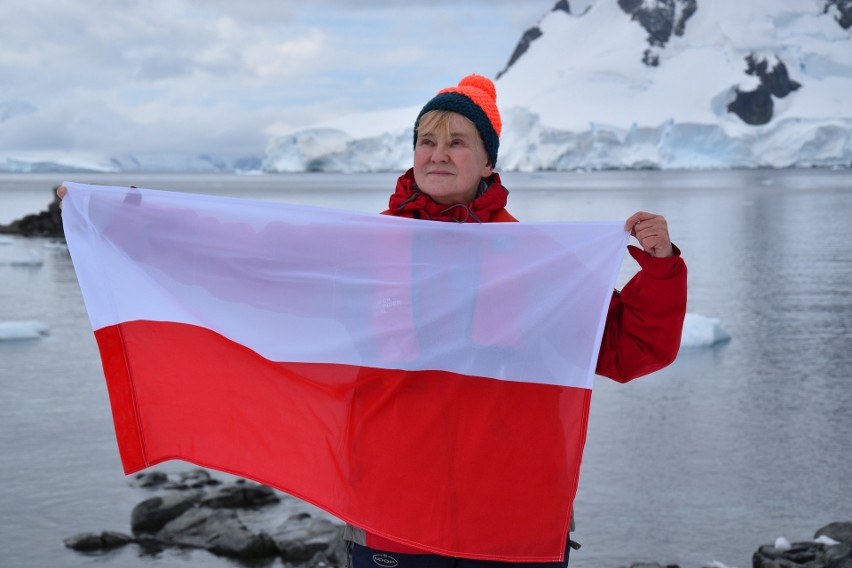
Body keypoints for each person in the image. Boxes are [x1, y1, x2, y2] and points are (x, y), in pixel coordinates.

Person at [57, 73, 686, 568]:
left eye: (457, 141)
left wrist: (658, 269)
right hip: (394, 514)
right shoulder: (367, 251)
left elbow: (630, 352)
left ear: (489, 163)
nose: (439, 154)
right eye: (427, 141)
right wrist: (130, 225)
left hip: (513, 521)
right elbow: (255, 267)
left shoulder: (535, 262)